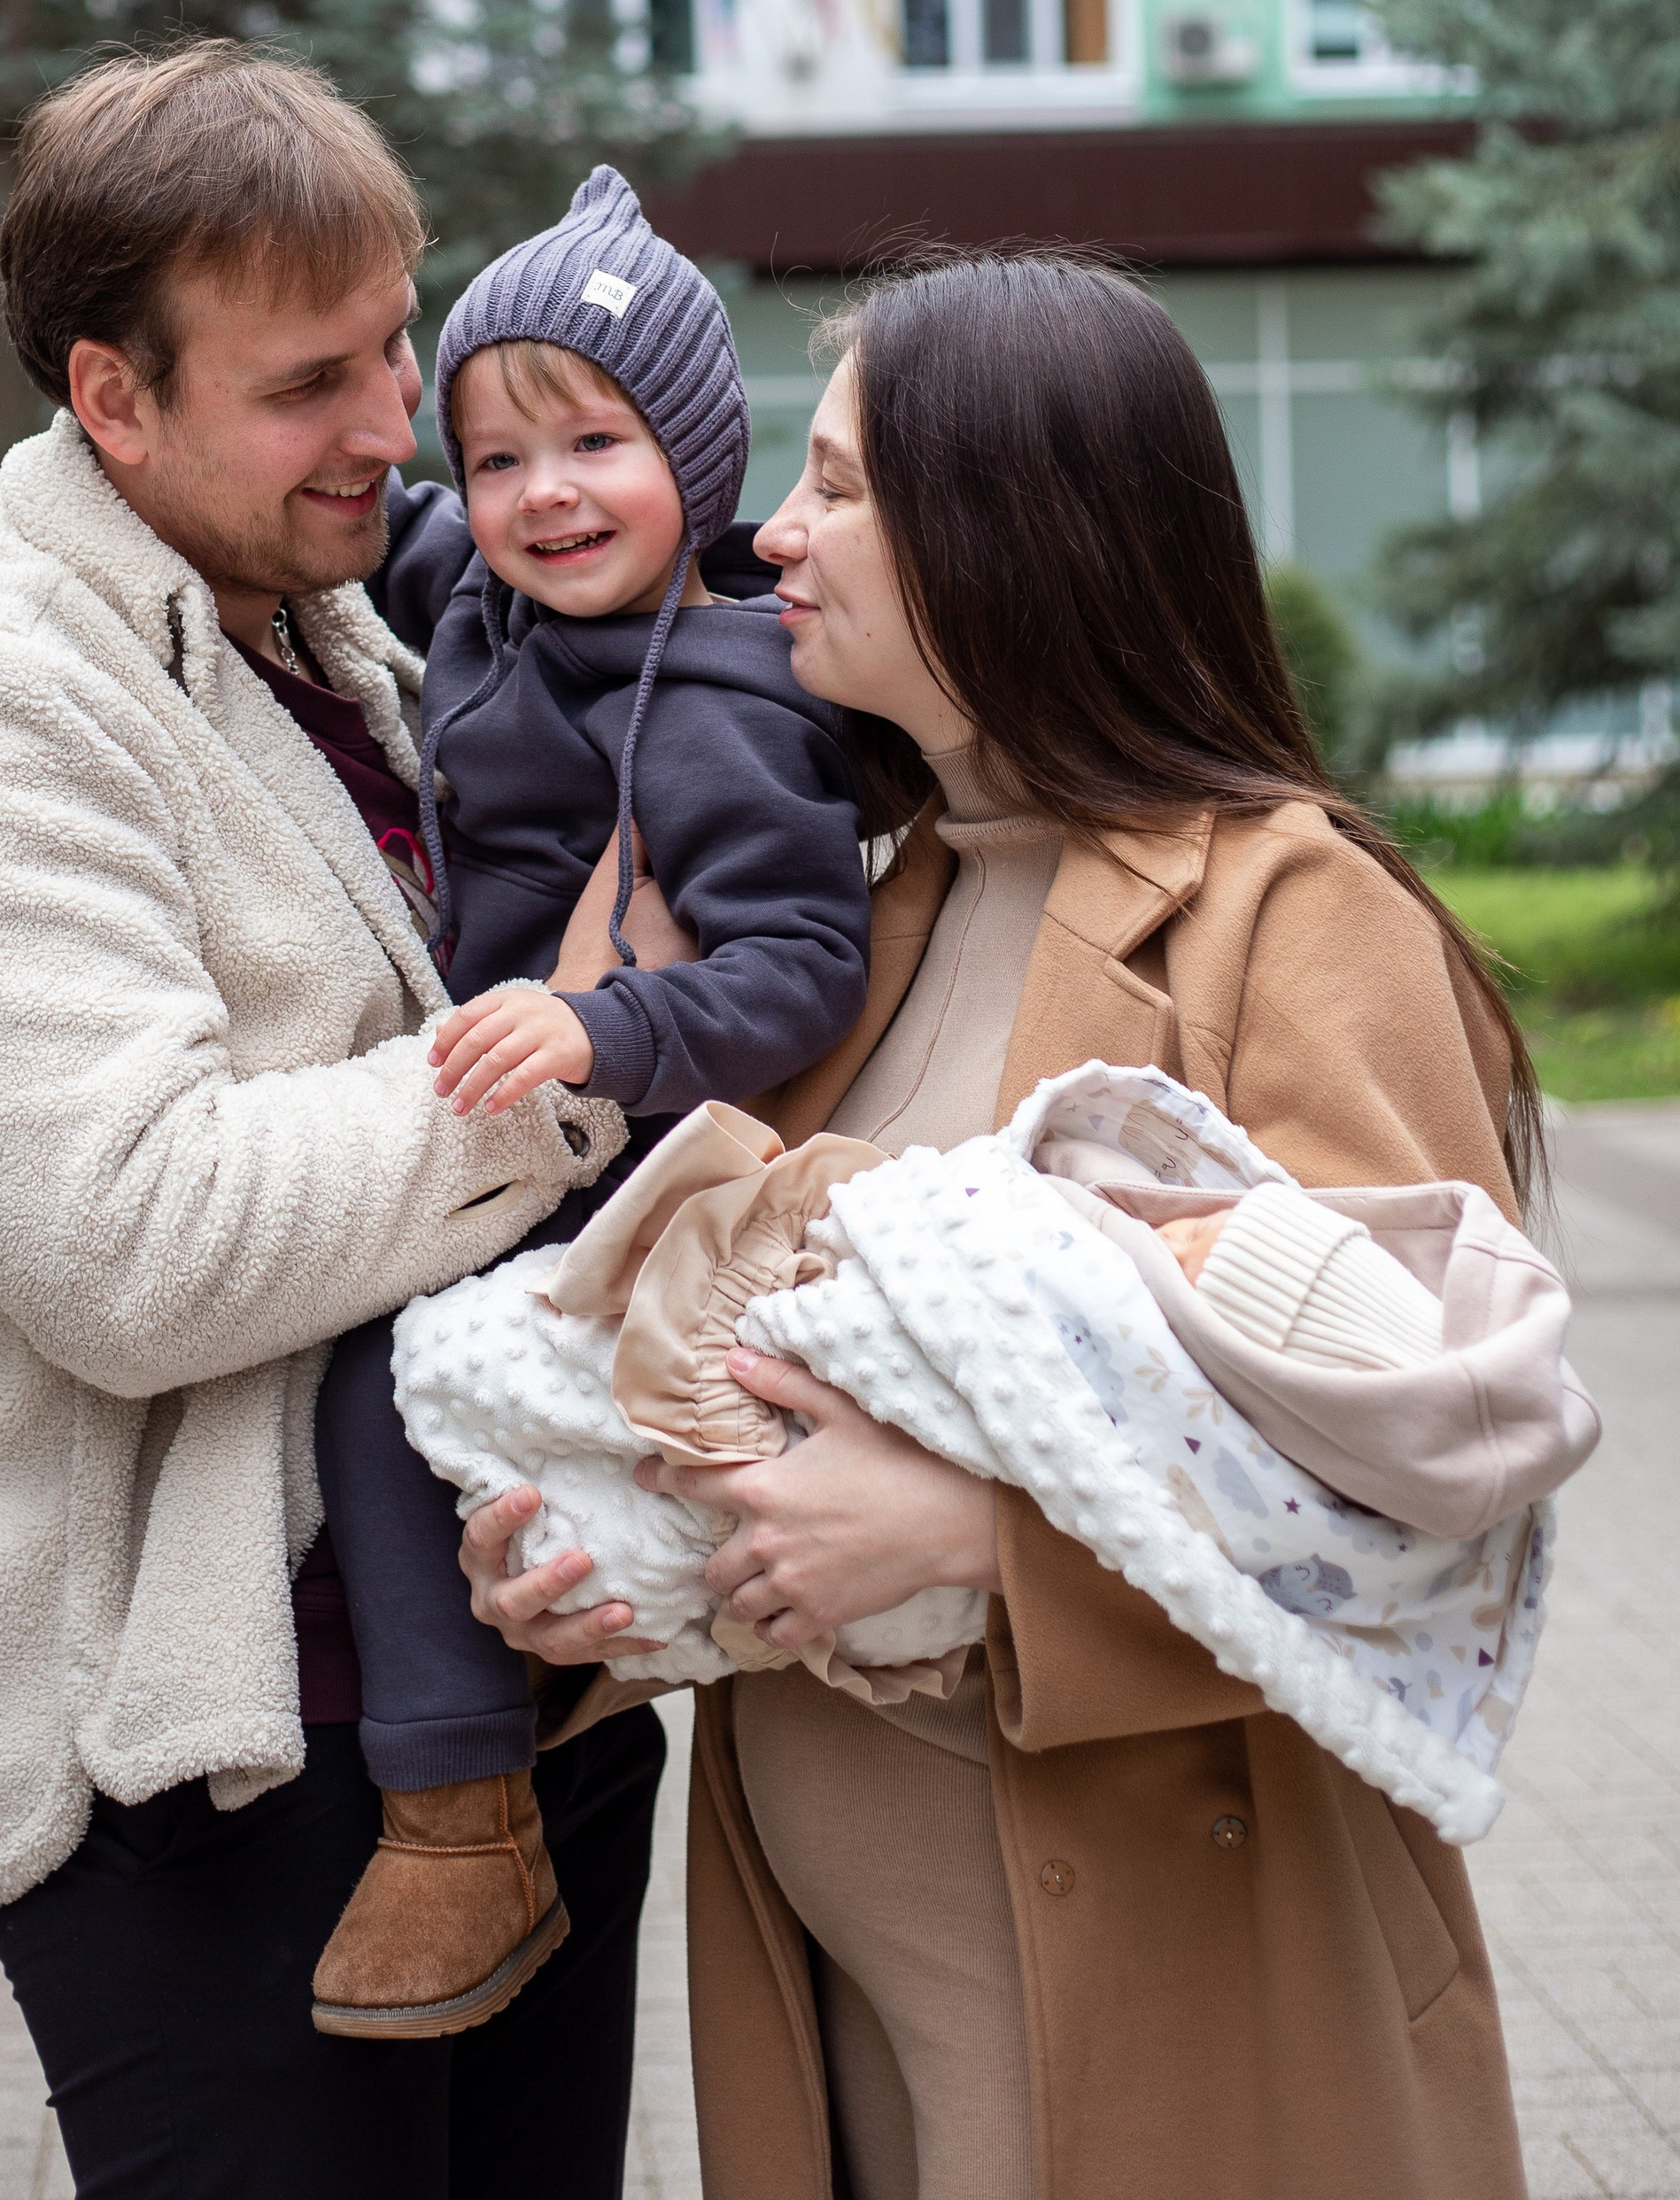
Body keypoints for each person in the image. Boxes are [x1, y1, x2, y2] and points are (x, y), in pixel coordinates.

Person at [457, 250, 1543, 2200]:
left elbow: (1441, 1481)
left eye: (837, 485)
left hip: (1171, 2018)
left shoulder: (1290, 920)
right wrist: (592, 1593)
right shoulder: (870, 920)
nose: (771, 533)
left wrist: (980, 1544)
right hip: (849, 2021)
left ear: (1011, 530)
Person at [0, 43, 663, 2200]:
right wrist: (569, 1059)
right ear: (113, 396)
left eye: (391, 347)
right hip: (221, 1754)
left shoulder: (323, 625)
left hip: (518, 1677)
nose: (389, 427)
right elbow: (137, 1244)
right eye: (304, 385)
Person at [306, 167, 871, 2041]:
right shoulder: (481, 592)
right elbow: (377, 528)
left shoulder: (724, 711)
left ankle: (457, 1814)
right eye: (498, 458)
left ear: (694, 461)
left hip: (602, 1148)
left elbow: (803, 963)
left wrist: (603, 1025)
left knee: (385, 1384)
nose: (542, 494)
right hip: (486, 1104)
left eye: (594, 446)